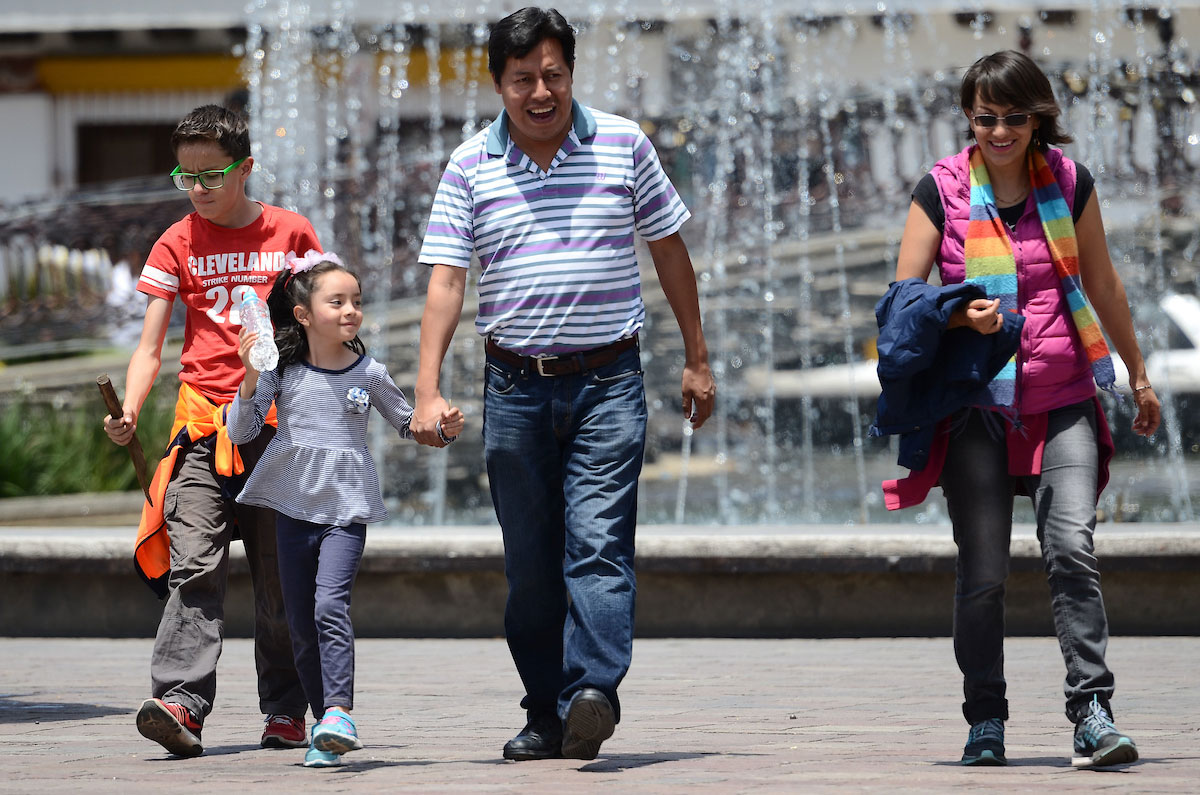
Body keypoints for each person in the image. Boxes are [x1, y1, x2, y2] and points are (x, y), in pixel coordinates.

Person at [413, 6, 716, 762]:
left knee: (599, 543)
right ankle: (546, 711)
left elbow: (670, 250)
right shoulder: (468, 165)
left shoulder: (623, 143)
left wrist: (698, 357)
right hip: (514, 387)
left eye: (553, 75)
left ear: (571, 74)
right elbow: (448, 278)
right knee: (530, 564)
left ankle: (593, 690)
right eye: (523, 79)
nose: (540, 92)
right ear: (498, 84)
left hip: (609, 378)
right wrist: (426, 388)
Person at [883, 50, 1161, 768]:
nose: (999, 130)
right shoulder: (940, 190)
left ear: (1039, 117)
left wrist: (1137, 373)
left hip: (1062, 396)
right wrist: (957, 318)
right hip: (976, 406)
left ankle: (1091, 710)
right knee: (983, 572)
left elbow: (1102, 281)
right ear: (969, 118)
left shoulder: (1070, 183)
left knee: (1071, 546)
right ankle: (985, 717)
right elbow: (900, 305)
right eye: (985, 117)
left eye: (1013, 116)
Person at [103, 104, 315, 757]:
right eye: (186, 175)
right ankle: (180, 704)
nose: (198, 187)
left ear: (245, 168)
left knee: (281, 579)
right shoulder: (177, 241)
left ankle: (285, 708)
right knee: (194, 567)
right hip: (202, 429)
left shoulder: (291, 233)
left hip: (278, 431)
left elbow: (320, 323)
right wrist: (132, 409)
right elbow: (149, 346)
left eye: (213, 174)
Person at [226, 250, 465, 767]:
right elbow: (242, 432)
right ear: (304, 314)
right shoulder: (281, 372)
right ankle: (324, 730)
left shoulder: (369, 372)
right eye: (336, 302)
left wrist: (441, 426)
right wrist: (248, 378)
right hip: (291, 510)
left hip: (345, 510)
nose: (350, 310)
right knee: (299, 623)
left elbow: (409, 423)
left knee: (329, 606)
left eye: (355, 301)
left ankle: (338, 712)